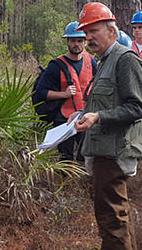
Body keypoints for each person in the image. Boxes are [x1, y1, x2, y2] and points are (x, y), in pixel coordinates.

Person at [72, 2, 142, 250]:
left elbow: (138, 107)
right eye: (86, 32)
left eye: (94, 30)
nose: (89, 37)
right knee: (120, 217)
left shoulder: (125, 60)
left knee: (111, 220)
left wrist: (98, 118)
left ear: (111, 29)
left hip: (114, 152)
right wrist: (84, 116)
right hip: (102, 150)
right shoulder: (103, 60)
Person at [37, 21, 98, 161]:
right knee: (65, 160)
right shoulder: (55, 66)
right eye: (72, 40)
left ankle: (84, 182)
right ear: (67, 41)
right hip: (64, 120)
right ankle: (66, 182)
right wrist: (63, 94)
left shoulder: (92, 62)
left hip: (86, 117)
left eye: (80, 40)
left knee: (87, 156)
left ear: (85, 42)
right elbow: (41, 92)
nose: (76, 44)